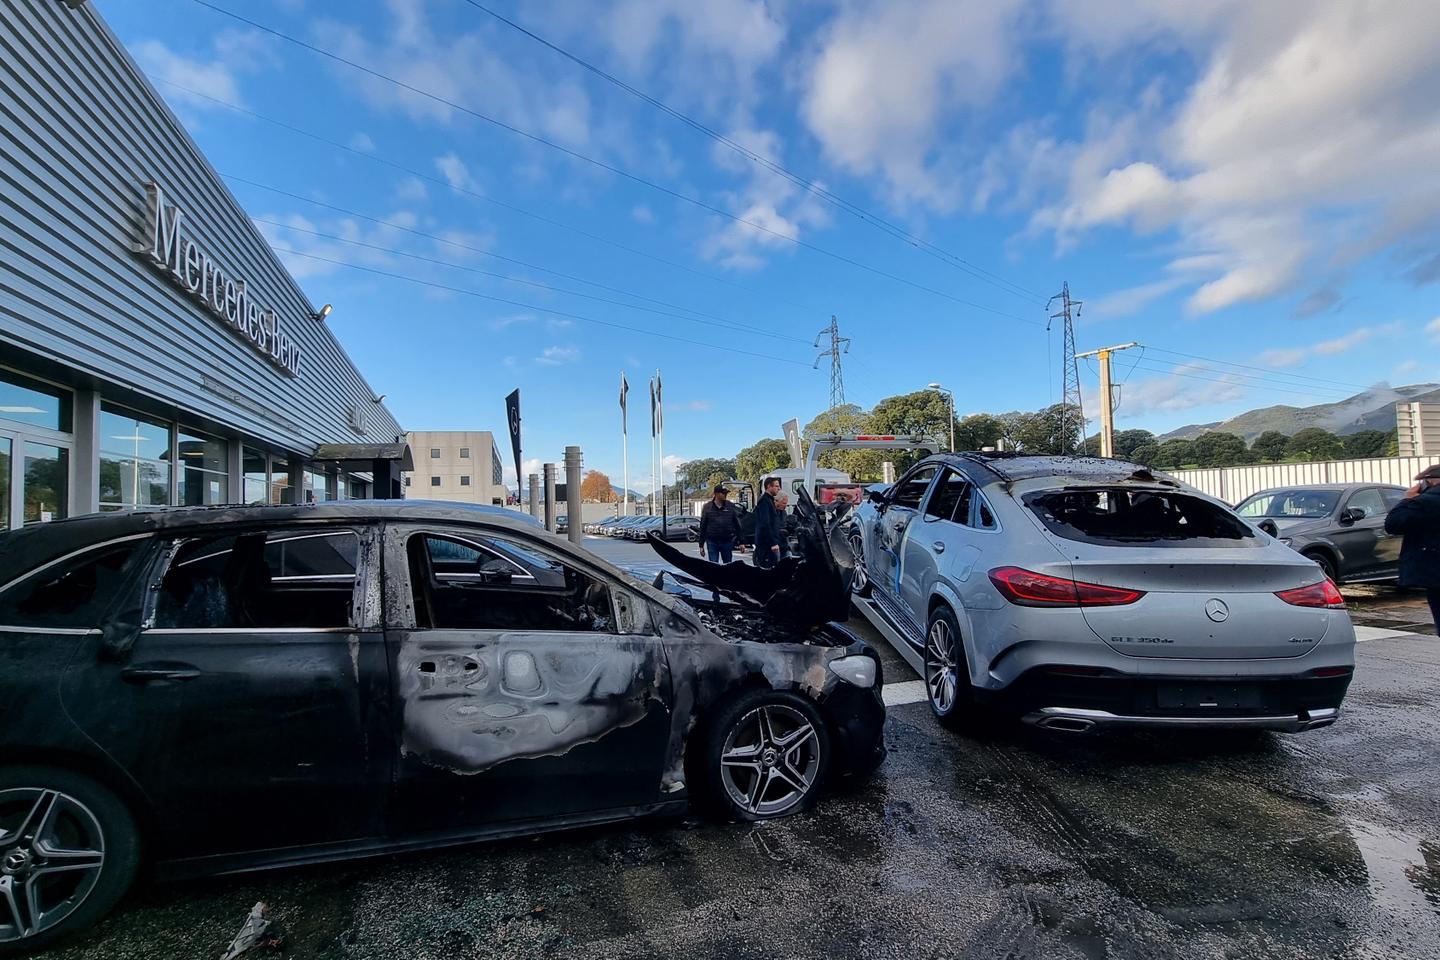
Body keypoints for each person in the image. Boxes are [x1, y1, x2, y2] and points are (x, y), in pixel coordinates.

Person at [1384, 464, 1440, 630]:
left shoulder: (1424, 502)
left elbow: (1393, 524)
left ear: (1430, 481)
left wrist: (1407, 500)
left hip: (1434, 572)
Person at [697, 484, 741, 564]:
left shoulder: (731, 506)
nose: (725, 495)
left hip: (727, 541)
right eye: (723, 493)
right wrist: (701, 545)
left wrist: (741, 541)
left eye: (726, 493)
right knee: (714, 565)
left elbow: (737, 524)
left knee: (728, 565)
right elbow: (703, 526)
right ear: (716, 494)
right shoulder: (707, 507)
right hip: (712, 541)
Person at [753, 477, 784, 568]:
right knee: (768, 569)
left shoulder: (769, 500)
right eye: (776, 486)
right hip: (766, 544)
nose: (779, 488)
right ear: (769, 486)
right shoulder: (764, 501)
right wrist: (773, 543)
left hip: (768, 543)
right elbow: (765, 524)